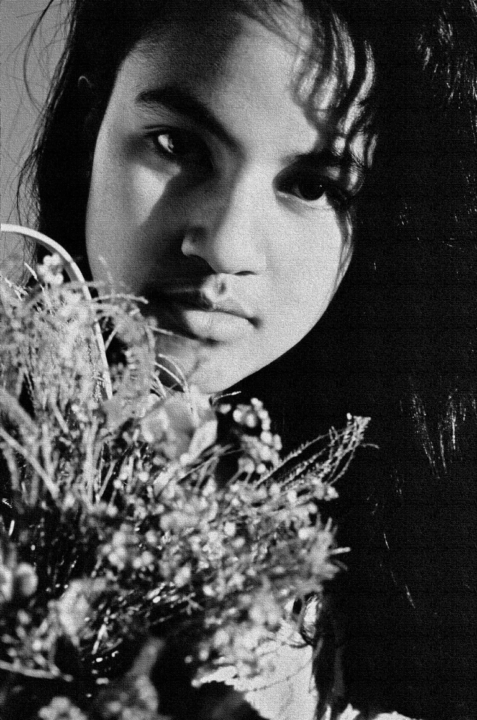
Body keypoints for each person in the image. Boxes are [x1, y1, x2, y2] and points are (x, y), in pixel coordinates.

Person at [15, 0, 477, 718]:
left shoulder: (410, 568)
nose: (225, 245)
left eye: (313, 186)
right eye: (177, 145)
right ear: (88, 126)